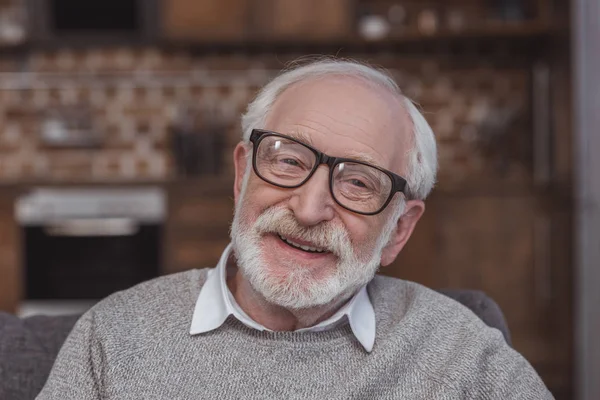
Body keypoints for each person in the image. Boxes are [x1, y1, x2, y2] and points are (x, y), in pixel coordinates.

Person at [37, 58, 553, 399]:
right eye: (287, 161)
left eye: (358, 184)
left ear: (398, 229)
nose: (309, 209)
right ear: (242, 175)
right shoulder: (113, 336)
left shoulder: (460, 356)